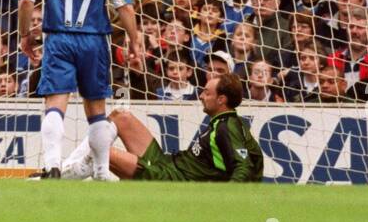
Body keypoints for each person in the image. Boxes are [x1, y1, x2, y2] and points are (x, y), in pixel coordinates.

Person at [17, 0, 143, 180]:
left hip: (59, 38)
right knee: (96, 110)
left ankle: (52, 166)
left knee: (55, 104)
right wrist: (134, 40)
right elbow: (125, 6)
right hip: (94, 40)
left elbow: (26, 1)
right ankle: (100, 170)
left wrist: (25, 35)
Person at [64, 72, 264, 182]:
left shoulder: (226, 127)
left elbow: (244, 166)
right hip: (168, 164)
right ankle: (64, 169)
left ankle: (54, 179)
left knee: (103, 150)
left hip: (171, 179)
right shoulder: (221, 122)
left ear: (221, 99)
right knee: (121, 117)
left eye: (206, 92)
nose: (201, 96)